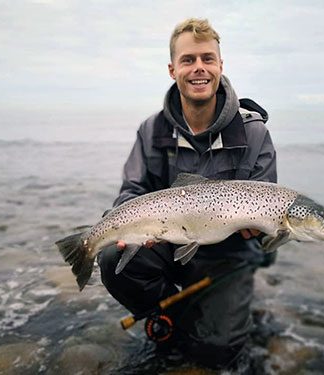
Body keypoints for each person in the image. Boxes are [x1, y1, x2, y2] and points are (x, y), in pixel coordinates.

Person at [98, 18, 277, 370]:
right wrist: (133, 228)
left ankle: (215, 312)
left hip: (229, 255)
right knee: (110, 260)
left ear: (221, 66)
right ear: (172, 69)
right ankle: (171, 308)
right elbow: (131, 191)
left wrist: (264, 235)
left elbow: (270, 215)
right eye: (188, 60)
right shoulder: (152, 130)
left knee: (216, 352)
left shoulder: (254, 132)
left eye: (208, 59)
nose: (199, 68)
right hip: (167, 244)